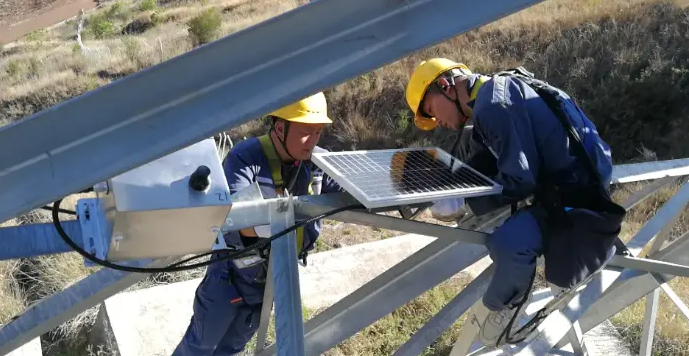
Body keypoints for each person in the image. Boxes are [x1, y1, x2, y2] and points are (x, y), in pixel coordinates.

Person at [404, 58, 625, 347]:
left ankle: (508, 308)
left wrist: (465, 204)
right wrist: (457, 186)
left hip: (574, 197)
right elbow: (489, 160)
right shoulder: (500, 88)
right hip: (586, 180)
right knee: (512, 226)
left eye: (432, 110)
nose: (437, 123)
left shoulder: (492, 107)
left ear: (445, 87)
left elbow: (520, 179)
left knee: (507, 242)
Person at [172, 92, 343, 356]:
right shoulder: (246, 157)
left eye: (318, 132)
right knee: (199, 347)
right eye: (306, 132)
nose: (313, 141)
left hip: (271, 279)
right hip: (231, 276)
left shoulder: (316, 161)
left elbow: (348, 187)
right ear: (279, 128)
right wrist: (281, 221)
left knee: (233, 347)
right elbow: (238, 218)